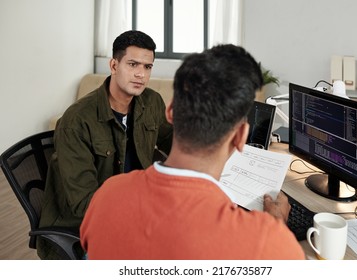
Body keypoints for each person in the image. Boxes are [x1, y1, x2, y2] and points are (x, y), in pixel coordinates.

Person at [80, 44, 305, 260]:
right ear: (240, 138)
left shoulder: (106, 196)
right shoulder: (270, 242)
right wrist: (276, 223)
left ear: (170, 112)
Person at [37, 30, 173, 259]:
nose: (141, 74)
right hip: (87, 228)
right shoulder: (77, 121)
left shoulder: (151, 102)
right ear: (113, 65)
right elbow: (85, 204)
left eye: (147, 67)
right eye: (132, 64)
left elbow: (174, 143)